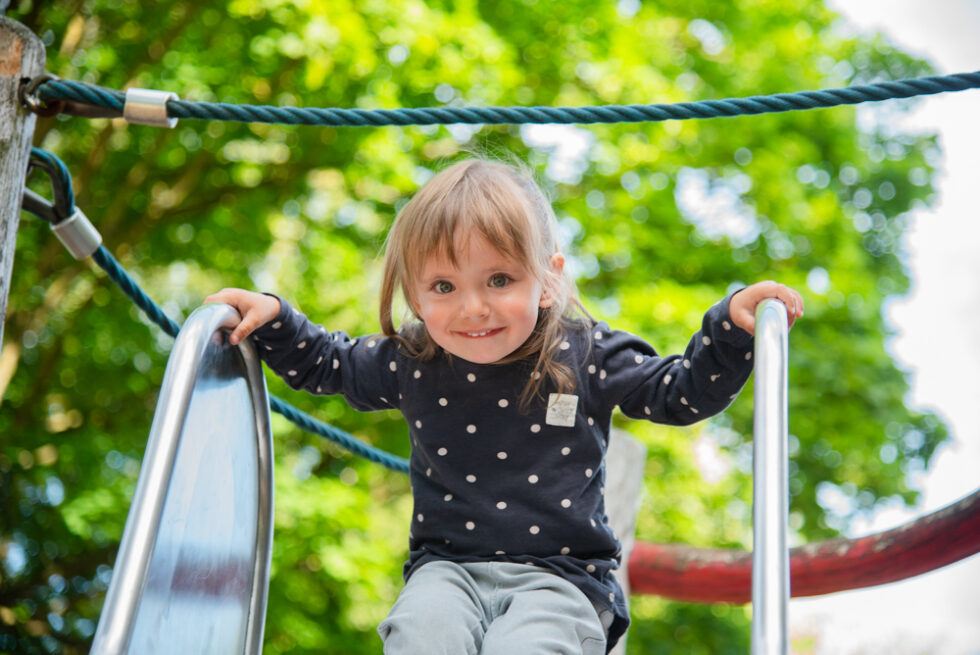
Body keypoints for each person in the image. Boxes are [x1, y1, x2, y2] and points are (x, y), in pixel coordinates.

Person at [206, 158, 803, 654]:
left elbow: (679, 394)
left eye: (499, 280)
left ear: (547, 280)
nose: (473, 308)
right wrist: (277, 319)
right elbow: (328, 363)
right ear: (415, 293)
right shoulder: (413, 359)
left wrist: (730, 329)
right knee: (418, 633)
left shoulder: (585, 354)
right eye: (444, 287)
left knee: (526, 647)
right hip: (447, 570)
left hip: (564, 578)